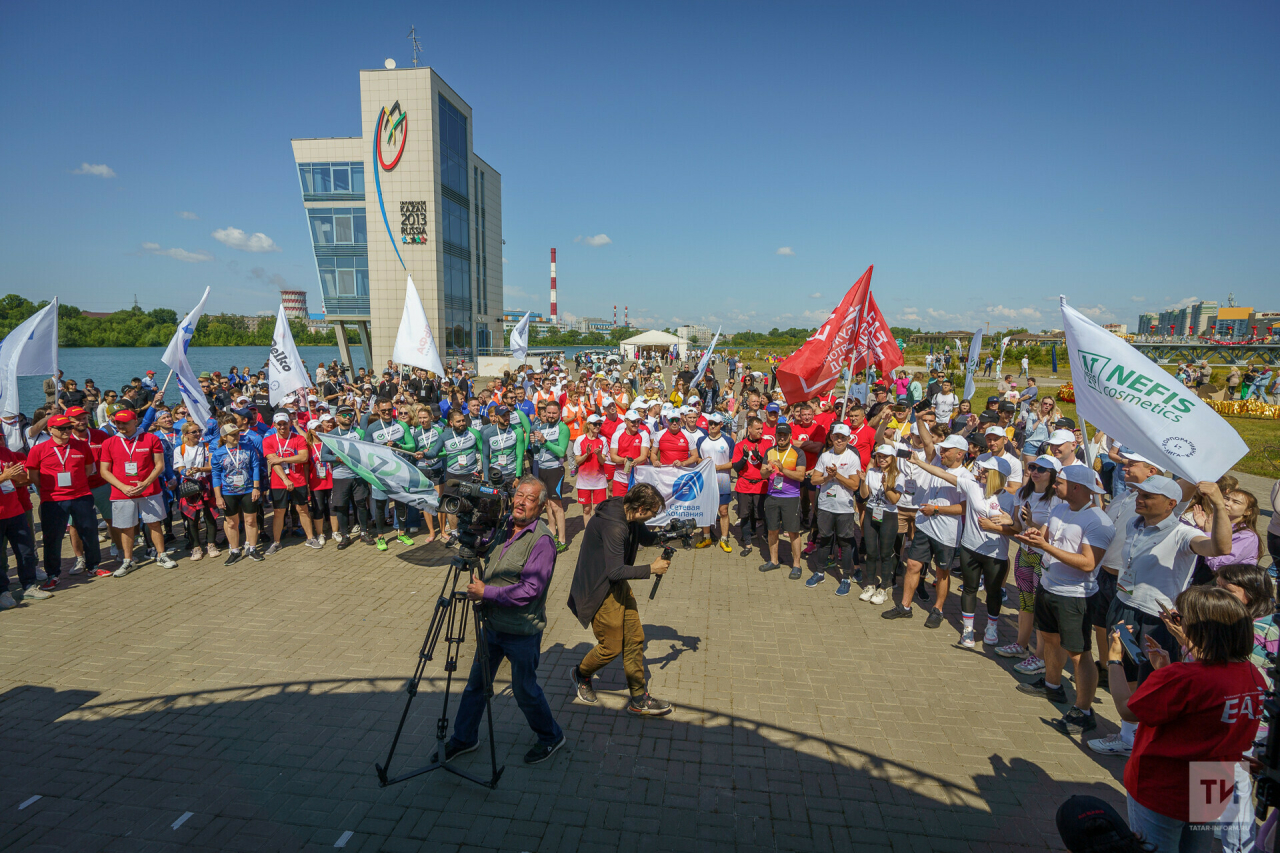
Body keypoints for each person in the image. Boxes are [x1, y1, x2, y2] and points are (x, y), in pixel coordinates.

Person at [1104, 586, 1265, 852]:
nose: (1176, 623)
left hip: (1164, 786)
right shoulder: (1252, 675)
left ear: (1202, 630)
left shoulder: (1184, 677)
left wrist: (1113, 660)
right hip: (1214, 782)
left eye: (1181, 619)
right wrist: (1168, 671)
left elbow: (1126, 709)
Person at [1088, 476, 1233, 755]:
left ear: (1170, 504)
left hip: (1158, 620)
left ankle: (1153, 742)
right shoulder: (1135, 524)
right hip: (1124, 608)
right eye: (1140, 492)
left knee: (1153, 682)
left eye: (1149, 495)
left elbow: (1221, 548)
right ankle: (1128, 737)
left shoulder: (1184, 533)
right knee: (1128, 671)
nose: (1140, 498)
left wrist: (1218, 503)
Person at [437, 476, 566, 765]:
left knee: (524, 690)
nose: (521, 502)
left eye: (530, 499)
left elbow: (531, 591)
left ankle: (551, 736)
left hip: (521, 630)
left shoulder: (542, 541)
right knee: (476, 685)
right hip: (492, 625)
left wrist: (487, 592)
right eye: (519, 495)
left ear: (541, 506)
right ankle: (464, 738)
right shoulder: (504, 524)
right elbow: (486, 551)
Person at [1014, 465, 1115, 736]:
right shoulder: (1059, 508)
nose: (1054, 486)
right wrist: (1035, 535)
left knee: (1080, 653)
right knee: (1048, 638)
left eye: (1059, 482)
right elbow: (1046, 536)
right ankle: (1053, 685)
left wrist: (1045, 547)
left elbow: (1088, 563)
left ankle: (1083, 710)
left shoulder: (1098, 521)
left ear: (1078, 488)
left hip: (1076, 596)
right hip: (1049, 586)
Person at [567, 483, 674, 716]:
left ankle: (638, 698)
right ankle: (581, 673)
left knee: (635, 638)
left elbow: (644, 538)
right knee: (611, 646)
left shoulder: (625, 510)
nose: (652, 517)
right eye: (652, 513)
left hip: (616, 586)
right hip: (599, 591)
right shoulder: (615, 527)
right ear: (640, 508)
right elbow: (615, 571)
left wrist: (668, 535)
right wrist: (652, 569)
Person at [912, 453, 1016, 648]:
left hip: (996, 554)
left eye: (985, 470)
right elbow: (943, 474)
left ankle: (991, 628)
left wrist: (1004, 524)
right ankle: (967, 630)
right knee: (969, 589)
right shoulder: (973, 486)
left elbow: (1018, 530)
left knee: (993, 592)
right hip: (970, 547)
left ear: (997, 474)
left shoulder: (1011, 499)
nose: (980, 472)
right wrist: (918, 462)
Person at [882, 433, 969, 626]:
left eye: (947, 450)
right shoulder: (937, 464)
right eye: (942, 448)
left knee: (941, 572)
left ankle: (937, 610)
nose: (942, 452)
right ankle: (905, 606)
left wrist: (937, 509)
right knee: (912, 565)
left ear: (960, 454)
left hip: (946, 533)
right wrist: (920, 418)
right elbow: (928, 441)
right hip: (924, 526)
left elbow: (964, 508)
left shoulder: (966, 476)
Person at [999, 455, 1062, 671]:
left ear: (1052, 474)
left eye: (1041, 469)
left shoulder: (1056, 499)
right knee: (1025, 602)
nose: (1035, 472)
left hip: (1043, 556)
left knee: (1041, 607)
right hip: (1024, 552)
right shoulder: (1022, 492)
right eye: (1033, 467)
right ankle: (1021, 645)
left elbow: (1049, 535)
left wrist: (1031, 522)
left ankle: (1041, 656)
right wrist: (1004, 520)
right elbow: (1017, 525)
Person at [25, 414, 102, 588]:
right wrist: (49, 489)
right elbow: (33, 476)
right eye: (62, 428)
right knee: (53, 537)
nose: (67, 431)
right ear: (50, 430)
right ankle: (53, 574)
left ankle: (93, 566)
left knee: (89, 531)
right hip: (53, 500)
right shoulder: (38, 449)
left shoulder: (82, 446)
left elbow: (88, 468)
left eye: (69, 427)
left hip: (81, 496)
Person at [100, 409, 177, 574]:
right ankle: (128, 560)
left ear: (135, 422)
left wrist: (146, 483)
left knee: (154, 523)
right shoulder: (109, 442)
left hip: (150, 490)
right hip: (122, 492)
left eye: (125, 423)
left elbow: (159, 465)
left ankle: (161, 555)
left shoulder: (151, 438)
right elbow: (104, 471)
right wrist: (123, 487)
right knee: (126, 526)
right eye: (118, 423)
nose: (121, 426)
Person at [806, 423, 862, 595]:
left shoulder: (852, 457)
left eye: (843, 438)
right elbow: (814, 480)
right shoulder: (824, 456)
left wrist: (836, 475)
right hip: (825, 505)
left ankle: (845, 578)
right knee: (824, 540)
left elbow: (854, 484)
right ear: (831, 437)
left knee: (845, 542)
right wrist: (827, 477)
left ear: (848, 439)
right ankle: (820, 572)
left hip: (844, 507)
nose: (839, 440)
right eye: (836, 436)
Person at [263, 412, 319, 553]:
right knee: (279, 511)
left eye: (284, 423)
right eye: (279, 424)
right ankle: (276, 542)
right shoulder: (268, 440)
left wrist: (281, 459)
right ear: (274, 425)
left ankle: (310, 538)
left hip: (298, 479)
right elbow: (272, 461)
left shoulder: (299, 438)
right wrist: (285, 479)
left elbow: (304, 457)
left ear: (289, 423)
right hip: (279, 482)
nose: (282, 427)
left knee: (303, 509)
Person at [211, 421, 264, 564]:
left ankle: (252, 548)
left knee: (250, 520)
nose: (237, 436)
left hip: (247, 489)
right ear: (224, 437)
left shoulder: (248, 448)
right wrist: (218, 496)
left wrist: (256, 487)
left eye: (238, 433)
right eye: (232, 435)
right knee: (231, 523)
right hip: (228, 491)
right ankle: (235, 551)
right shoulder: (218, 453)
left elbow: (255, 467)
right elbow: (215, 475)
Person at [0, 442, 45, 609]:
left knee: (26, 551)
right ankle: (3, 591)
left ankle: (29, 585)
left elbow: (23, 479)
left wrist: (13, 475)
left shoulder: (6, 453)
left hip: (15, 511)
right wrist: (4, 477)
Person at [760, 421, 807, 577]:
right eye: (779, 435)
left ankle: (796, 565)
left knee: (793, 532)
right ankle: (774, 561)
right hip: (772, 496)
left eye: (784, 435)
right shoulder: (769, 451)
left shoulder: (798, 453)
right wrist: (767, 471)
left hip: (791, 497)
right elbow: (762, 474)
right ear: (775, 436)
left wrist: (783, 469)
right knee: (772, 530)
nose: (781, 438)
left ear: (790, 436)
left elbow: (801, 476)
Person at [324, 406, 371, 549]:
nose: (347, 416)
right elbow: (323, 456)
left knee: (361, 504)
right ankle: (345, 536)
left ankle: (364, 532)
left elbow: (368, 451)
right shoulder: (331, 434)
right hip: (340, 476)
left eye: (350, 414)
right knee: (341, 506)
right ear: (336, 418)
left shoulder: (359, 432)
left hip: (358, 475)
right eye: (343, 414)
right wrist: (338, 459)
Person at [173, 420, 219, 561]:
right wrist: (187, 472)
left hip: (205, 483)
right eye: (194, 432)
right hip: (190, 485)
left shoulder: (206, 446)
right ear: (186, 434)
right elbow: (180, 469)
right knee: (192, 518)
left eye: (199, 431)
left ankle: (211, 544)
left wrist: (200, 470)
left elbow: (212, 467)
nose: (198, 434)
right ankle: (196, 547)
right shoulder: (179, 449)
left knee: (210, 515)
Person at [529, 400, 570, 552]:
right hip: (542, 469)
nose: (551, 416)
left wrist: (544, 441)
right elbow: (536, 452)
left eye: (554, 413)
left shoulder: (563, 428)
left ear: (559, 413)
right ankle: (552, 533)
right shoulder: (542, 427)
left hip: (555, 470)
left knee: (556, 505)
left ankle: (562, 539)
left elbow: (561, 452)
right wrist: (534, 443)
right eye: (548, 413)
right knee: (546, 503)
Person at [571, 414, 610, 524]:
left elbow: (603, 461)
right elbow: (577, 461)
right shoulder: (580, 440)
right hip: (584, 481)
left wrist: (598, 455)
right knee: (586, 510)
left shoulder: (603, 440)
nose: (598, 426)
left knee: (597, 510)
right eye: (595, 424)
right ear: (589, 425)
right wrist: (586, 454)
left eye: (599, 424)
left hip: (599, 482)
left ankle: (597, 534)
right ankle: (588, 533)